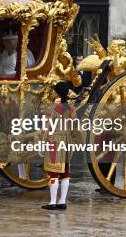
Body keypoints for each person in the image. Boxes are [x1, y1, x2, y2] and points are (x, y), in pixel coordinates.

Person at [42, 82, 74, 211]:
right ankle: (62, 201)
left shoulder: (54, 108)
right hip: (67, 142)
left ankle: (52, 202)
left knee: (54, 173)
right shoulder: (71, 108)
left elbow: (47, 127)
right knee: (65, 174)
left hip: (55, 140)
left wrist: (43, 141)